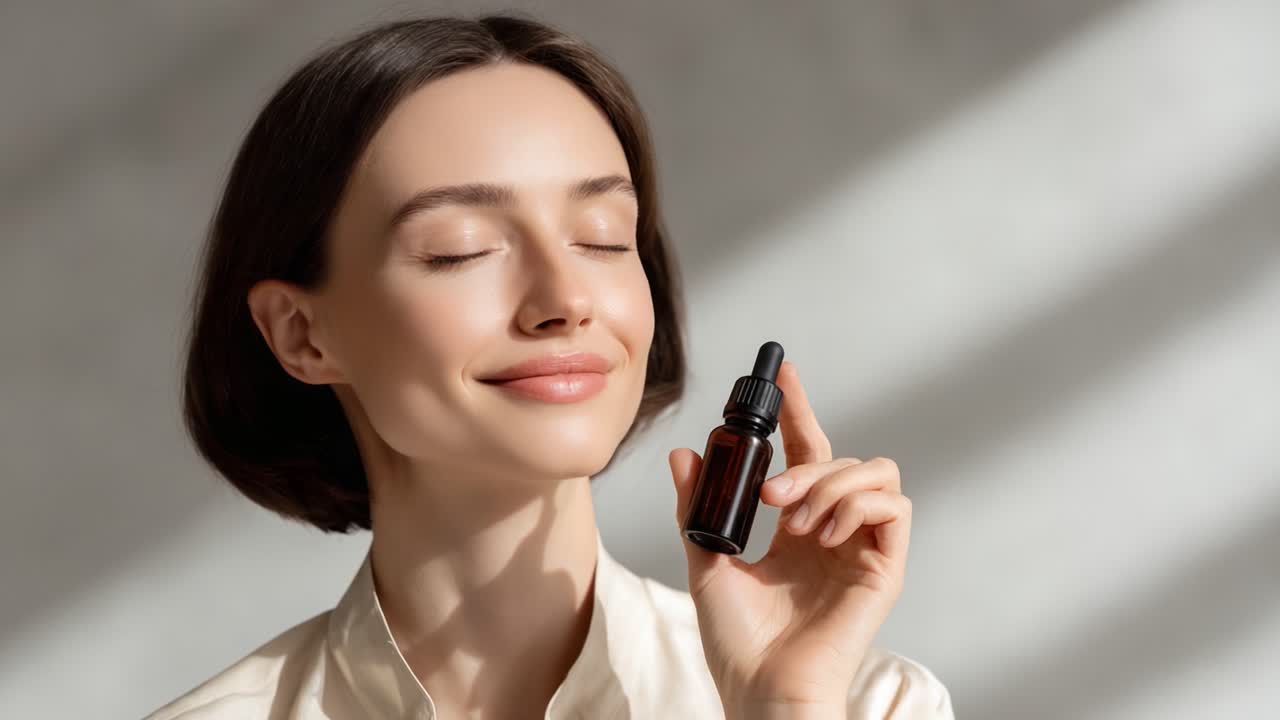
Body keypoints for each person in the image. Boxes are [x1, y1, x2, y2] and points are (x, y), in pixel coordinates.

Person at [147, 12, 953, 720]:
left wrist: (783, 710)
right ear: (301, 334)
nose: (565, 297)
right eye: (459, 248)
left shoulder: (864, 708)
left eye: (604, 236)